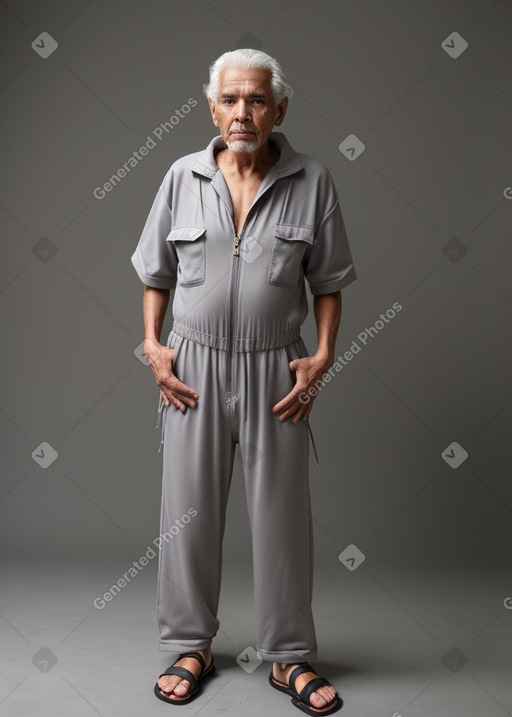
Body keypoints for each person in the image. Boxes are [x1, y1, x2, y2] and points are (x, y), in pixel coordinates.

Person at [131, 48, 357, 715]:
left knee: (282, 519)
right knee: (186, 513)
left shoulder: (312, 180)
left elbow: (330, 280)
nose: (242, 112)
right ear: (211, 107)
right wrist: (153, 345)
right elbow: (155, 272)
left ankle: (289, 657)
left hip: (276, 369)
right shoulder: (181, 176)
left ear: (279, 109)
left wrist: (323, 356)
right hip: (192, 368)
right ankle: (191, 645)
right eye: (230, 99)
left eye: (256, 100)